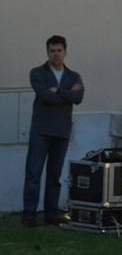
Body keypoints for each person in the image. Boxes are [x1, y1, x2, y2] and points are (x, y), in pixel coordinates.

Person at [22, 35, 84, 227]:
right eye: (52, 50)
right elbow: (45, 96)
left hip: (62, 131)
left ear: (65, 51)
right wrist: (67, 93)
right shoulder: (37, 73)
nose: (56, 54)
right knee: (34, 173)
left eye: (59, 50)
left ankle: (51, 213)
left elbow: (79, 97)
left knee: (54, 175)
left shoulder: (74, 76)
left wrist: (58, 90)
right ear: (47, 52)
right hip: (41, 130)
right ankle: (30, 213)